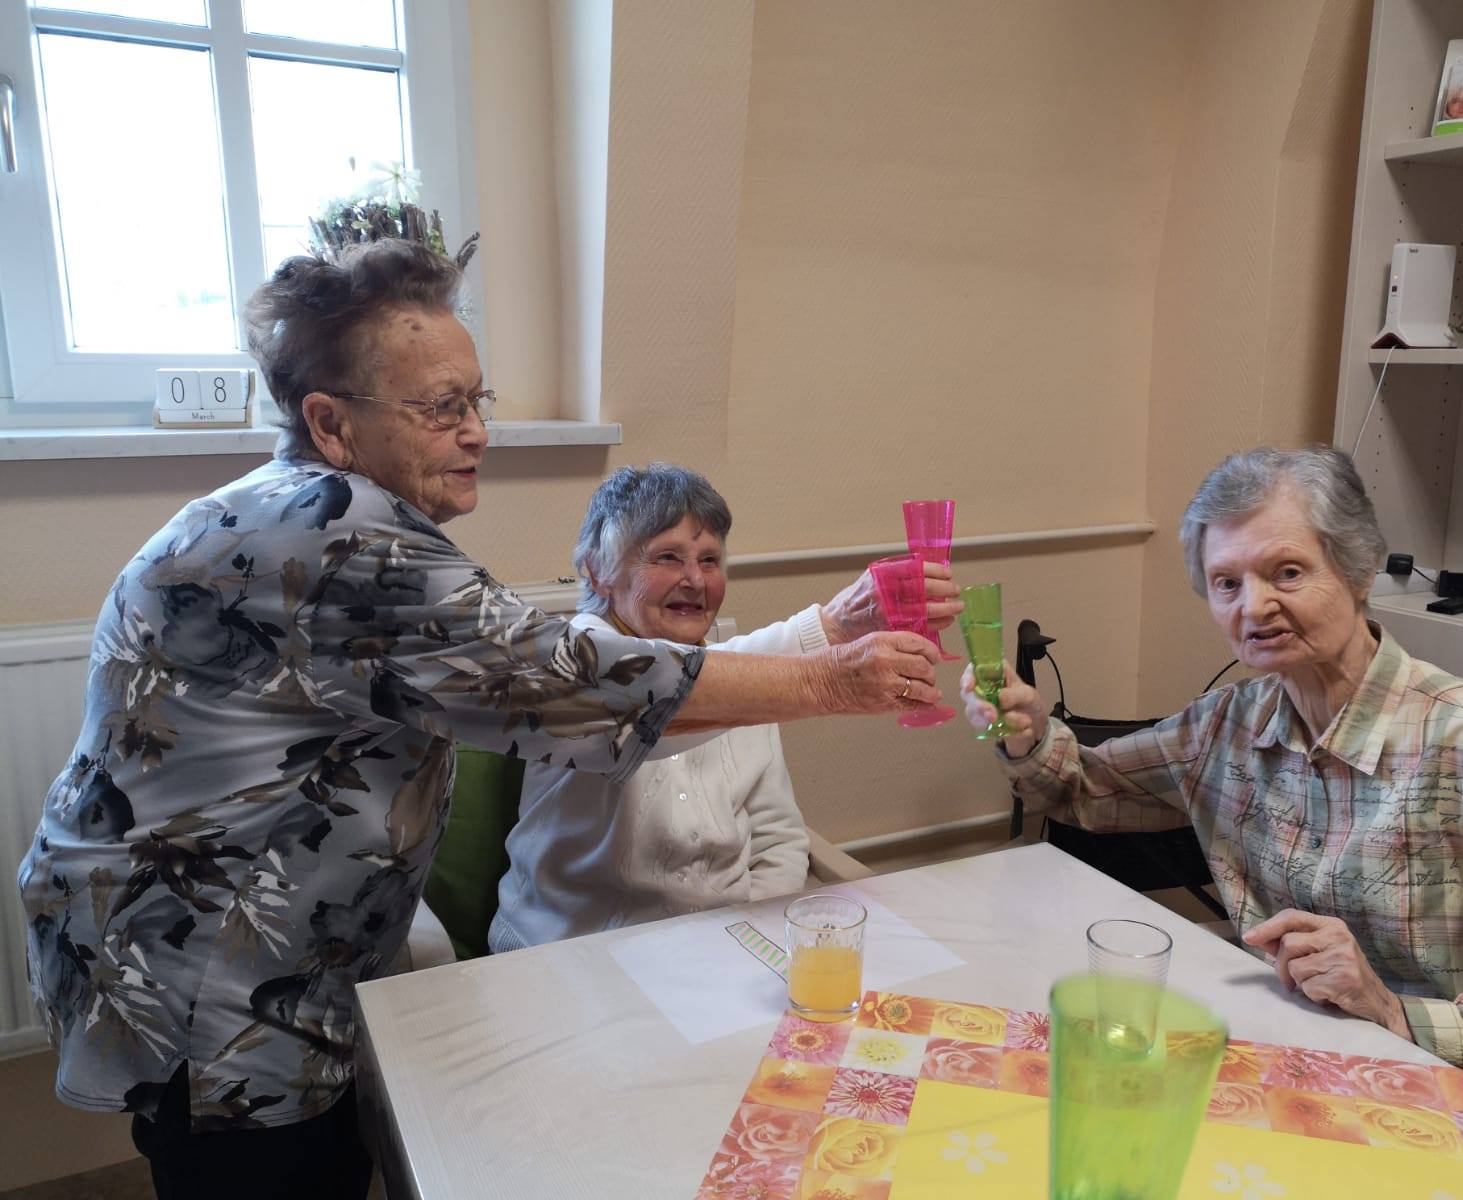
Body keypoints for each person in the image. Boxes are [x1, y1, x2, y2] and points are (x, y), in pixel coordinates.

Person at [16, 240, 941, 1199]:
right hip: (214, 976)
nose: (477, 433)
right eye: (441, 408)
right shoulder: (338, 534)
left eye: (477, 400)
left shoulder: (301, 505)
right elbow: (568, 684)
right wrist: (833, 679)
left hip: (256, 956)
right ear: (331, 422)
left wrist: (827, 632)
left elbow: (552, 673)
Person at [963, 445, 1463, 1134]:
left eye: (1287, 572)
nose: (1254, 606)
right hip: (1296, 1076)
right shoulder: (1231, 724)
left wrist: (1392, 1011)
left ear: (1358, 570)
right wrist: (1026, 732)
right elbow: (1083, 789)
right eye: (1225, 583)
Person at [490, 464, 957, 950]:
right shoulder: (571, 657)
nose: (695, 579)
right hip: (574, 952)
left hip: (723, 948)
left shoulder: (745, 674)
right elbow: (648, 699)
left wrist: (752, 941)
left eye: (710, 560)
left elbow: (778, 840)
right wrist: (831, 631)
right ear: (597, 571)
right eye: (667, 557)